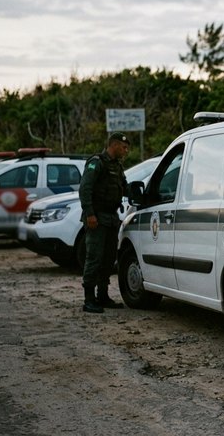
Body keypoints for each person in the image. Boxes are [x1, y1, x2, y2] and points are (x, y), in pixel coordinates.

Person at [79, 132, 130, 313]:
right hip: (97, 218)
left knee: (108, 259)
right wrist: (90, 214)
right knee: (94, 257)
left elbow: (124, 187)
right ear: (114, 145)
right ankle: (89, 299)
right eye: (123, 147)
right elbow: (85, 189)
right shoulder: (97, 162)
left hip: (111, 217)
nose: (126, 151)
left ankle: (103, 295)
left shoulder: (117, 166)